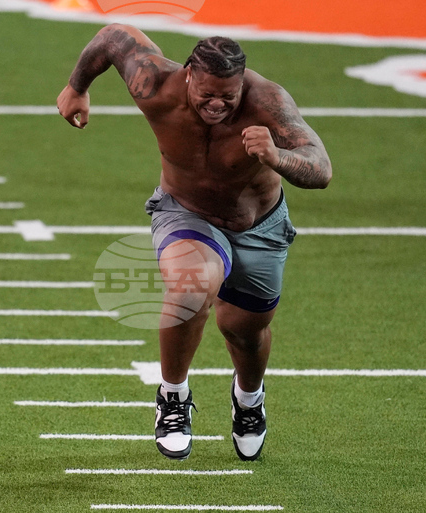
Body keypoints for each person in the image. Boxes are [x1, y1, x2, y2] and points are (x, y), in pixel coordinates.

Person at [57, 25, 332, 461]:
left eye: (230, 94)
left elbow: (321, 167)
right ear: (188, 75)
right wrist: (77, 87)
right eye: (208, 94)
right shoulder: (155, 83)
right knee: (189, 287)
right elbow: (114, 37)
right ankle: (172, 397)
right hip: (185, 211)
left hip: (258, 224)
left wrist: (277, 157)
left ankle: (249, 398)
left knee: (243, 332)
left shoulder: (267, 102)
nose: (219, 104)